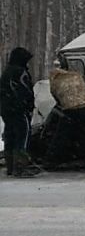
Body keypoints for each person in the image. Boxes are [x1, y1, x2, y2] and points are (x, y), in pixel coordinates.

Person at [47, 60, 85, 172]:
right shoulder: (76, 76)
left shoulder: (55, 80)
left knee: (62, 135)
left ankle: (53, 161)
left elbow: (55, 96)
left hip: (70, 109)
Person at [0, 47, 40, 177]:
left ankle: (11, 166)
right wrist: (27, 105)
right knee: (22, 136)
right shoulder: (20, 72)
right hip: (19, 110)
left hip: (6, 110)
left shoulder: (7, 72)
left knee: (10, 135)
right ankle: (21, 167)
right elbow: (24, 91)